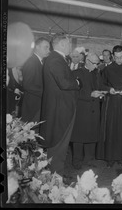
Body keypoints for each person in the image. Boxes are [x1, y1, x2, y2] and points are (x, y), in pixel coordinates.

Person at [39, 33, 82, 176]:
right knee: (59, 146)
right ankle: (56, 180)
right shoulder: (56, 60)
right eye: (69, 44)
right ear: (62, 44)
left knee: (59, 146)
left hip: (60, 108)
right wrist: (76, 83)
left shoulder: (55, 59)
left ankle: (56, 178)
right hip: (60, 110)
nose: (71, 47)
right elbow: (63, 83)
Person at [96, 45, 122, 168]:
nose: (119, 60)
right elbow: (101, 85)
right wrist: (110, 89)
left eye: (121, 57)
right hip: (111, 104)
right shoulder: (107, 70)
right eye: (116, 57)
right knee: (111, 131)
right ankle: (110, 157)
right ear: (113, 57)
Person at [70, 52, 106, 169]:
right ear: (87, 61)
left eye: (97, 64)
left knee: (92, 136)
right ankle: (77, 162)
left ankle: (89, 160)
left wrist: (102, 93)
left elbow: (100, 87)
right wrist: (90, 94)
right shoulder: (76, 73)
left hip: (94, 109)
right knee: (79, 138)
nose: (96, 66)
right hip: (82, 110)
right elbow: (74, 93)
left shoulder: (97, 74)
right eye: (94, 64)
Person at [21, 37, 51, 123]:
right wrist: (45, 93)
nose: (48, 50)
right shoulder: (31, 62)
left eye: (49, 48)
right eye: (46, 47)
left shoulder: (39, 62)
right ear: (37, 47)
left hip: (37, 103)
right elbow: (27, 85)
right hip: (32, 105)